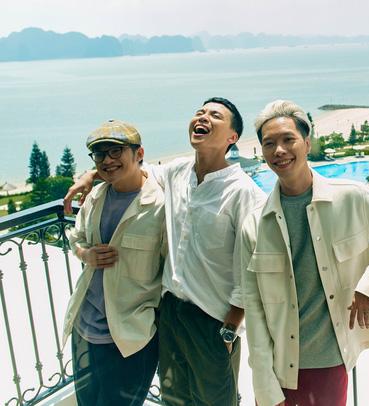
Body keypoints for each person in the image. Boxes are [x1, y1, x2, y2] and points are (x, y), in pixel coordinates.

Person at [64, 97, 266, 405]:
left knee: (215, 400)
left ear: (232, 137)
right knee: (175, 399)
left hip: (212, 319)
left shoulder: (244, 193)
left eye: (215, 115)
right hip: (170, 313)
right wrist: (90, 175)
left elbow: (251, 269)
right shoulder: (177, 172)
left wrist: (229, 331)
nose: (203, 117)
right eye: (199, 112)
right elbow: (131, 168)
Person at [240, 100, 369, 406]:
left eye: (288, 139)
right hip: (280, 366)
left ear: (307, 143)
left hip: (329, 360)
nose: (279, 150)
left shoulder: (351, 197)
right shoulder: (254, 224)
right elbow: (254, 310)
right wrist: (264, 385)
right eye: (269, 143)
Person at [62, 119, 165, 405]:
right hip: (86, 328)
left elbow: (171, 269)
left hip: (132, 335)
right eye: (100, 154)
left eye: (116, 151)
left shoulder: (160, 206)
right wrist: (85, 255)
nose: (107, 160)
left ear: (139, 153)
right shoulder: (96, 196)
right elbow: (76, 237)